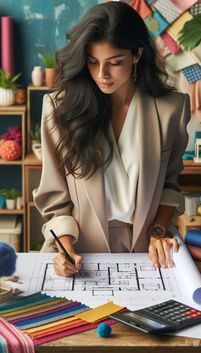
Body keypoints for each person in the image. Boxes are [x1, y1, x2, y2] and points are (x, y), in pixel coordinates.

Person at [33, 1, 191, 277]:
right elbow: (55, 198)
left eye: (115, 62)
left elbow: (170, 183)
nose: (101, 75)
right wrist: (65, 248)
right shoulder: (60, 108)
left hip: (149, 252)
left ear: (137, 54)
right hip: (81, 253)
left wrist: (157, 232)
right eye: (92, 62)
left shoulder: (172, 108)